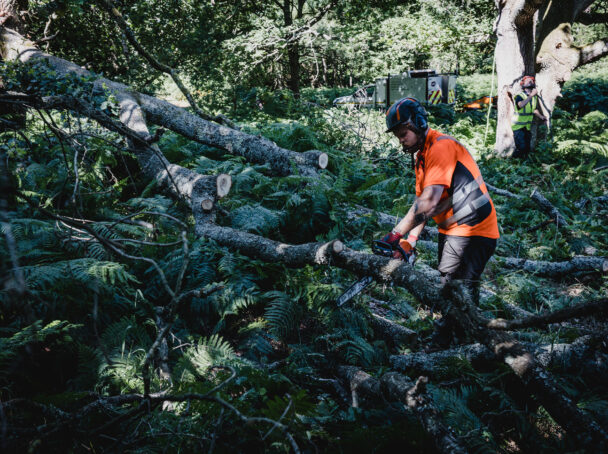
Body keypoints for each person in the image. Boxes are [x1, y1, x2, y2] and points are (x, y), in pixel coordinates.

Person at [378, 98, 500, 343]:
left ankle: (458, 345)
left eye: (403, 133)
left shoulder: (440, 148)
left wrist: (395, 234)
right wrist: (409, 242)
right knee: (453, 288)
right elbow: (423, 205)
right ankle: (464, 341)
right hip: (456, 230)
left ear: (419, 123)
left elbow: (429, 204)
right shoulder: (422, 156)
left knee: (456, 291)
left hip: (474, 231)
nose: (401, 139)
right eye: (397, 135)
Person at [507, 75, 547, 158]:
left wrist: (541, 116)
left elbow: (534, 109)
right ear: (523, 84)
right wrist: (531, 95)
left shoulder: (534, 98)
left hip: (527, 126)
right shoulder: (520, 96)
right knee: (521, 147)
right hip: (518, 126)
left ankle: (524, 165)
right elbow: (520, 105)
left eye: (531, 81)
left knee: (527, 148)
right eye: (527, 80)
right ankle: (512, 162)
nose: (530, 82)